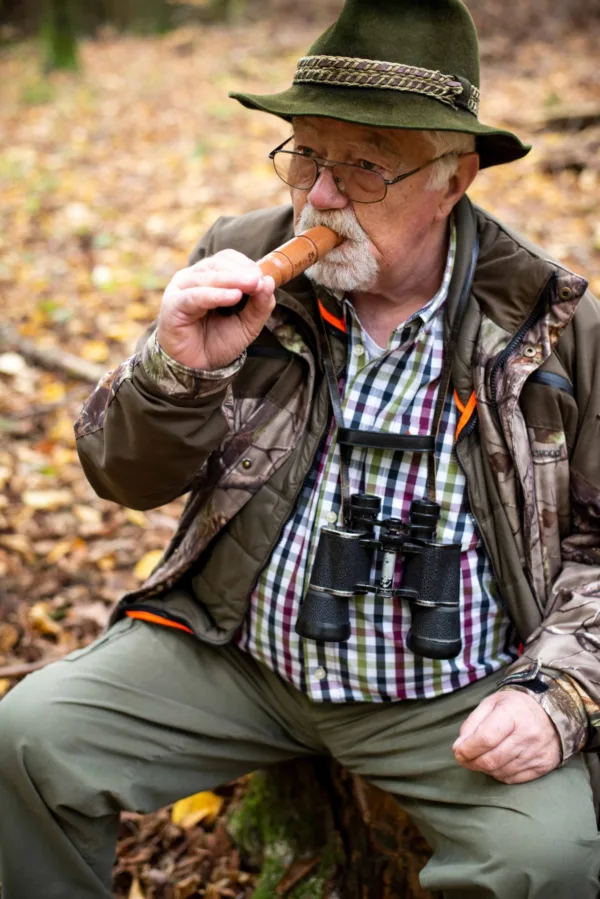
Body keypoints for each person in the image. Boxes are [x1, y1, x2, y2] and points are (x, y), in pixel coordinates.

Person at [1, 0, 600, 896]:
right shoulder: (241, 261)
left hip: (452, 696)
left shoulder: (552, 326)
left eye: (366, 166)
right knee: (27, 739)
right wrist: (176, 370)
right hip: (240, 653)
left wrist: (558, 692)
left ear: (455, 178)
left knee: (545, 860)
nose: (319, 196)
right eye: (308, 153)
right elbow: (122, 476)